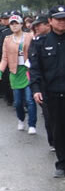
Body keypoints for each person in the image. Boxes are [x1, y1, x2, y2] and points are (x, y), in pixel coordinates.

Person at [30, 5, 65, 178]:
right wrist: (36, 89)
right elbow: (35, 70)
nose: (62, 22)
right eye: (58, 19)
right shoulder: (41, 43)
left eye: (64, 19)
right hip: (52, 93)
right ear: (50, 21)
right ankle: (62, 163)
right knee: (58, 129)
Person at [0, 15, 36, 134]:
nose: (14, 26)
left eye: (16, 23)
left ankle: (32, 124)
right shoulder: (7, 39)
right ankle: (21, 119)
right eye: (12, 24)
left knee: (29, 100)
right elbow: (4, 58)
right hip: (15, 72)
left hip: (28, 71)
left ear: (21, 24)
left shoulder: (29, 37)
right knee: (18, 102)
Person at [31, 14, 54, 150]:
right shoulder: (38, 42)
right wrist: (36, 88)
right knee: (49, 116)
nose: (36, 27)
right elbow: (34, 67)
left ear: (48, 24)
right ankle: (53, 142)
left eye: (39, 25)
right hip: (46, 87)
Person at [0, 11, 18, 106]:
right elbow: (0, 46)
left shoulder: (26, 33)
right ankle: (10, 98)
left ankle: (21, 101)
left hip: (21, 61)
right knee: (8, 81)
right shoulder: (4, 33)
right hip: (8, 60)